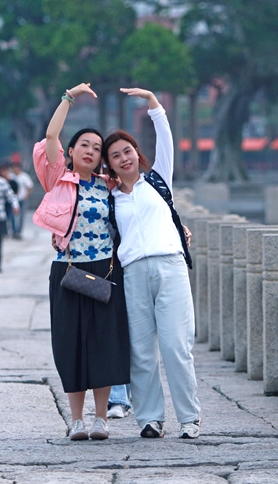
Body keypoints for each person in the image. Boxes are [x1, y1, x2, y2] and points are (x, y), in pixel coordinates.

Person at [102, 87, 201, 440]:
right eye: (115, 155)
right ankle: (149, 418)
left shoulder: (158, 180)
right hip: (133, 274)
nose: (124, 158)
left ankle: (189, 418)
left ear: (137, 153)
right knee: (141, 352)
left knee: (176, 347)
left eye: (127, 151)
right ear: (109, 164)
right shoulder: (110, 199)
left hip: (170, 267)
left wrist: (153, 103)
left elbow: (166, 138)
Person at [33, 82, 130, 441]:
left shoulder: (110, 185)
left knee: (104, 343)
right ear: (70, 151)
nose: (90, 151)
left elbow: (141, 206)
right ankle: (76, 420)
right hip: (69, 270)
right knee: (70, 342)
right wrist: (69, 96)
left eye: (96, 148)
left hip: (106, 269)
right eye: (84, 145)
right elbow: (51, 135)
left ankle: (101, 418)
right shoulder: (58, 178)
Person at [8, 162, 34, 239]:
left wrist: (26, 196)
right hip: (13, 199)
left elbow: (30, 187)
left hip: (22, 199)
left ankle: (18, 232)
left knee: (21, 216)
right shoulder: (11, 176)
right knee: (12, 216)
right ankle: (14, 231)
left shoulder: (24, 177)